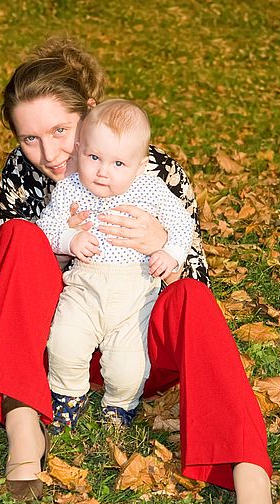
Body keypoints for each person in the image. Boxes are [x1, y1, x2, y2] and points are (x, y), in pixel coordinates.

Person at [0, 36, 277, 504]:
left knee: (195, 301)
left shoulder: (156, 173)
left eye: (61, 131)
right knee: (18, 237)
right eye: (30, 138)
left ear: (90, 114)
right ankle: (20, 415)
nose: (50, 153)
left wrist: (162, 244)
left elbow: (188, 277)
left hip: (136, 343)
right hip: (57, 340)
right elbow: (19, 281)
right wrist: (64, 244)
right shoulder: (23, 171)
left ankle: (246, 468)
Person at [36, 99, 194, 432]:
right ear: (79, 150)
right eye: (94, 157)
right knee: (63, 342)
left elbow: (182, 223)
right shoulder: (69, 188)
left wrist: (171, 251)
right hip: (84, 289)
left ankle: (120, 405)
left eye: (119, 163)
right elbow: (45, 227)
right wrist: (69, 239)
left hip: (134, 297)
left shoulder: (151, 189)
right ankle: (67, 395)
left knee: (129, 364)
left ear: (140, 165)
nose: (103, 171)